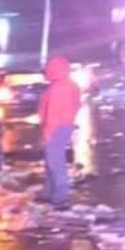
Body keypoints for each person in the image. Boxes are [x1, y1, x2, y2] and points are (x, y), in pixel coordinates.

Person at [39, 55, 82, 207]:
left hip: (56, 128)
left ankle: (59, 196)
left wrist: (48, 133)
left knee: (55, 162)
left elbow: (53, 113)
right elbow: (76, 105)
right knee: (53, 161)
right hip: (64, 126)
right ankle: (51, 191)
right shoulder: (69, 85)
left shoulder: (59, 88)